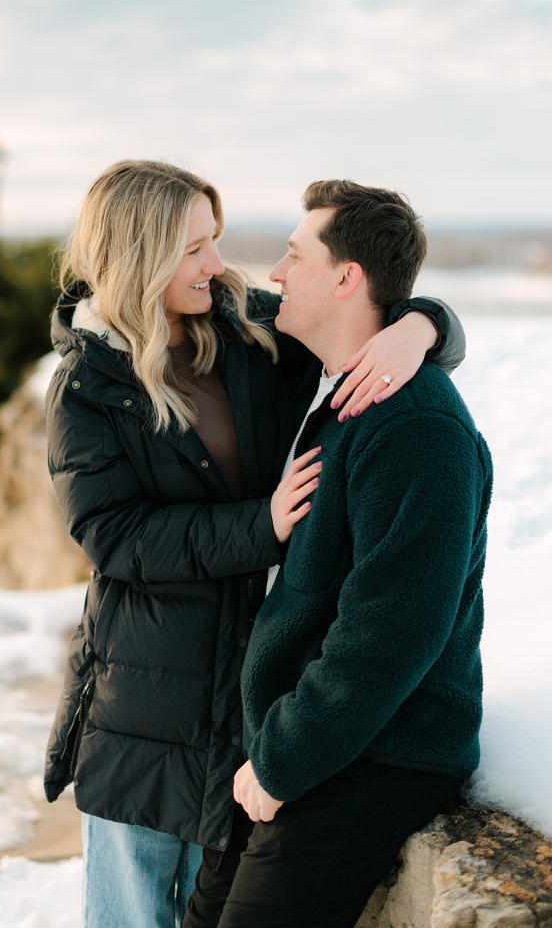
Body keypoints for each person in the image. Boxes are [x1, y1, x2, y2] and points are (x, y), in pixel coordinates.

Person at [42, 160, 466, 928]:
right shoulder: (86, 387)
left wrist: (422, 326)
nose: (220, 264)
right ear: (142, 253)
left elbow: (358, 298)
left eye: (216, 240)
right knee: (133, 910)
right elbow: (113, 536)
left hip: (247, 684)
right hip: (148, 686)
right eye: (194, 247)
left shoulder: (243, 328)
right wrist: (261, 525)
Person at [184, 179, 492, 928]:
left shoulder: (417, 429)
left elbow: (388, 633)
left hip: (375, 757)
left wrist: (285, 758)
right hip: (312, 744)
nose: (276, 274)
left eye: (294, 255)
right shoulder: (350, 393)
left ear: (348, 278)